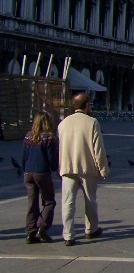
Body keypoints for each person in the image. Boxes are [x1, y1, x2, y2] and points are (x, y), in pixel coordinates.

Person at [58, 92, 109, 246]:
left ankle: (68, 235)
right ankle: (91, 229)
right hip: (87, 168)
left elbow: (60, 147)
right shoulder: (92, 122)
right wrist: (103, 169)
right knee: (90, 200)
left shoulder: (63, 123)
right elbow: (98, 149)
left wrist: (60, 167)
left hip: (67, 167)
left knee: (67, 202)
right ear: (87, 105)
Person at [22, 111, 59, 244]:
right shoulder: (48, 138)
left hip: (28, 172)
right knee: (49, 201)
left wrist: (24, 169)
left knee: (32, 203)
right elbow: (52, 159)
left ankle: (30, 232)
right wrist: (56, 169)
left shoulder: (28, 136)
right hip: (42, 173)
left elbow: (24, 156)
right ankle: (42, 227)